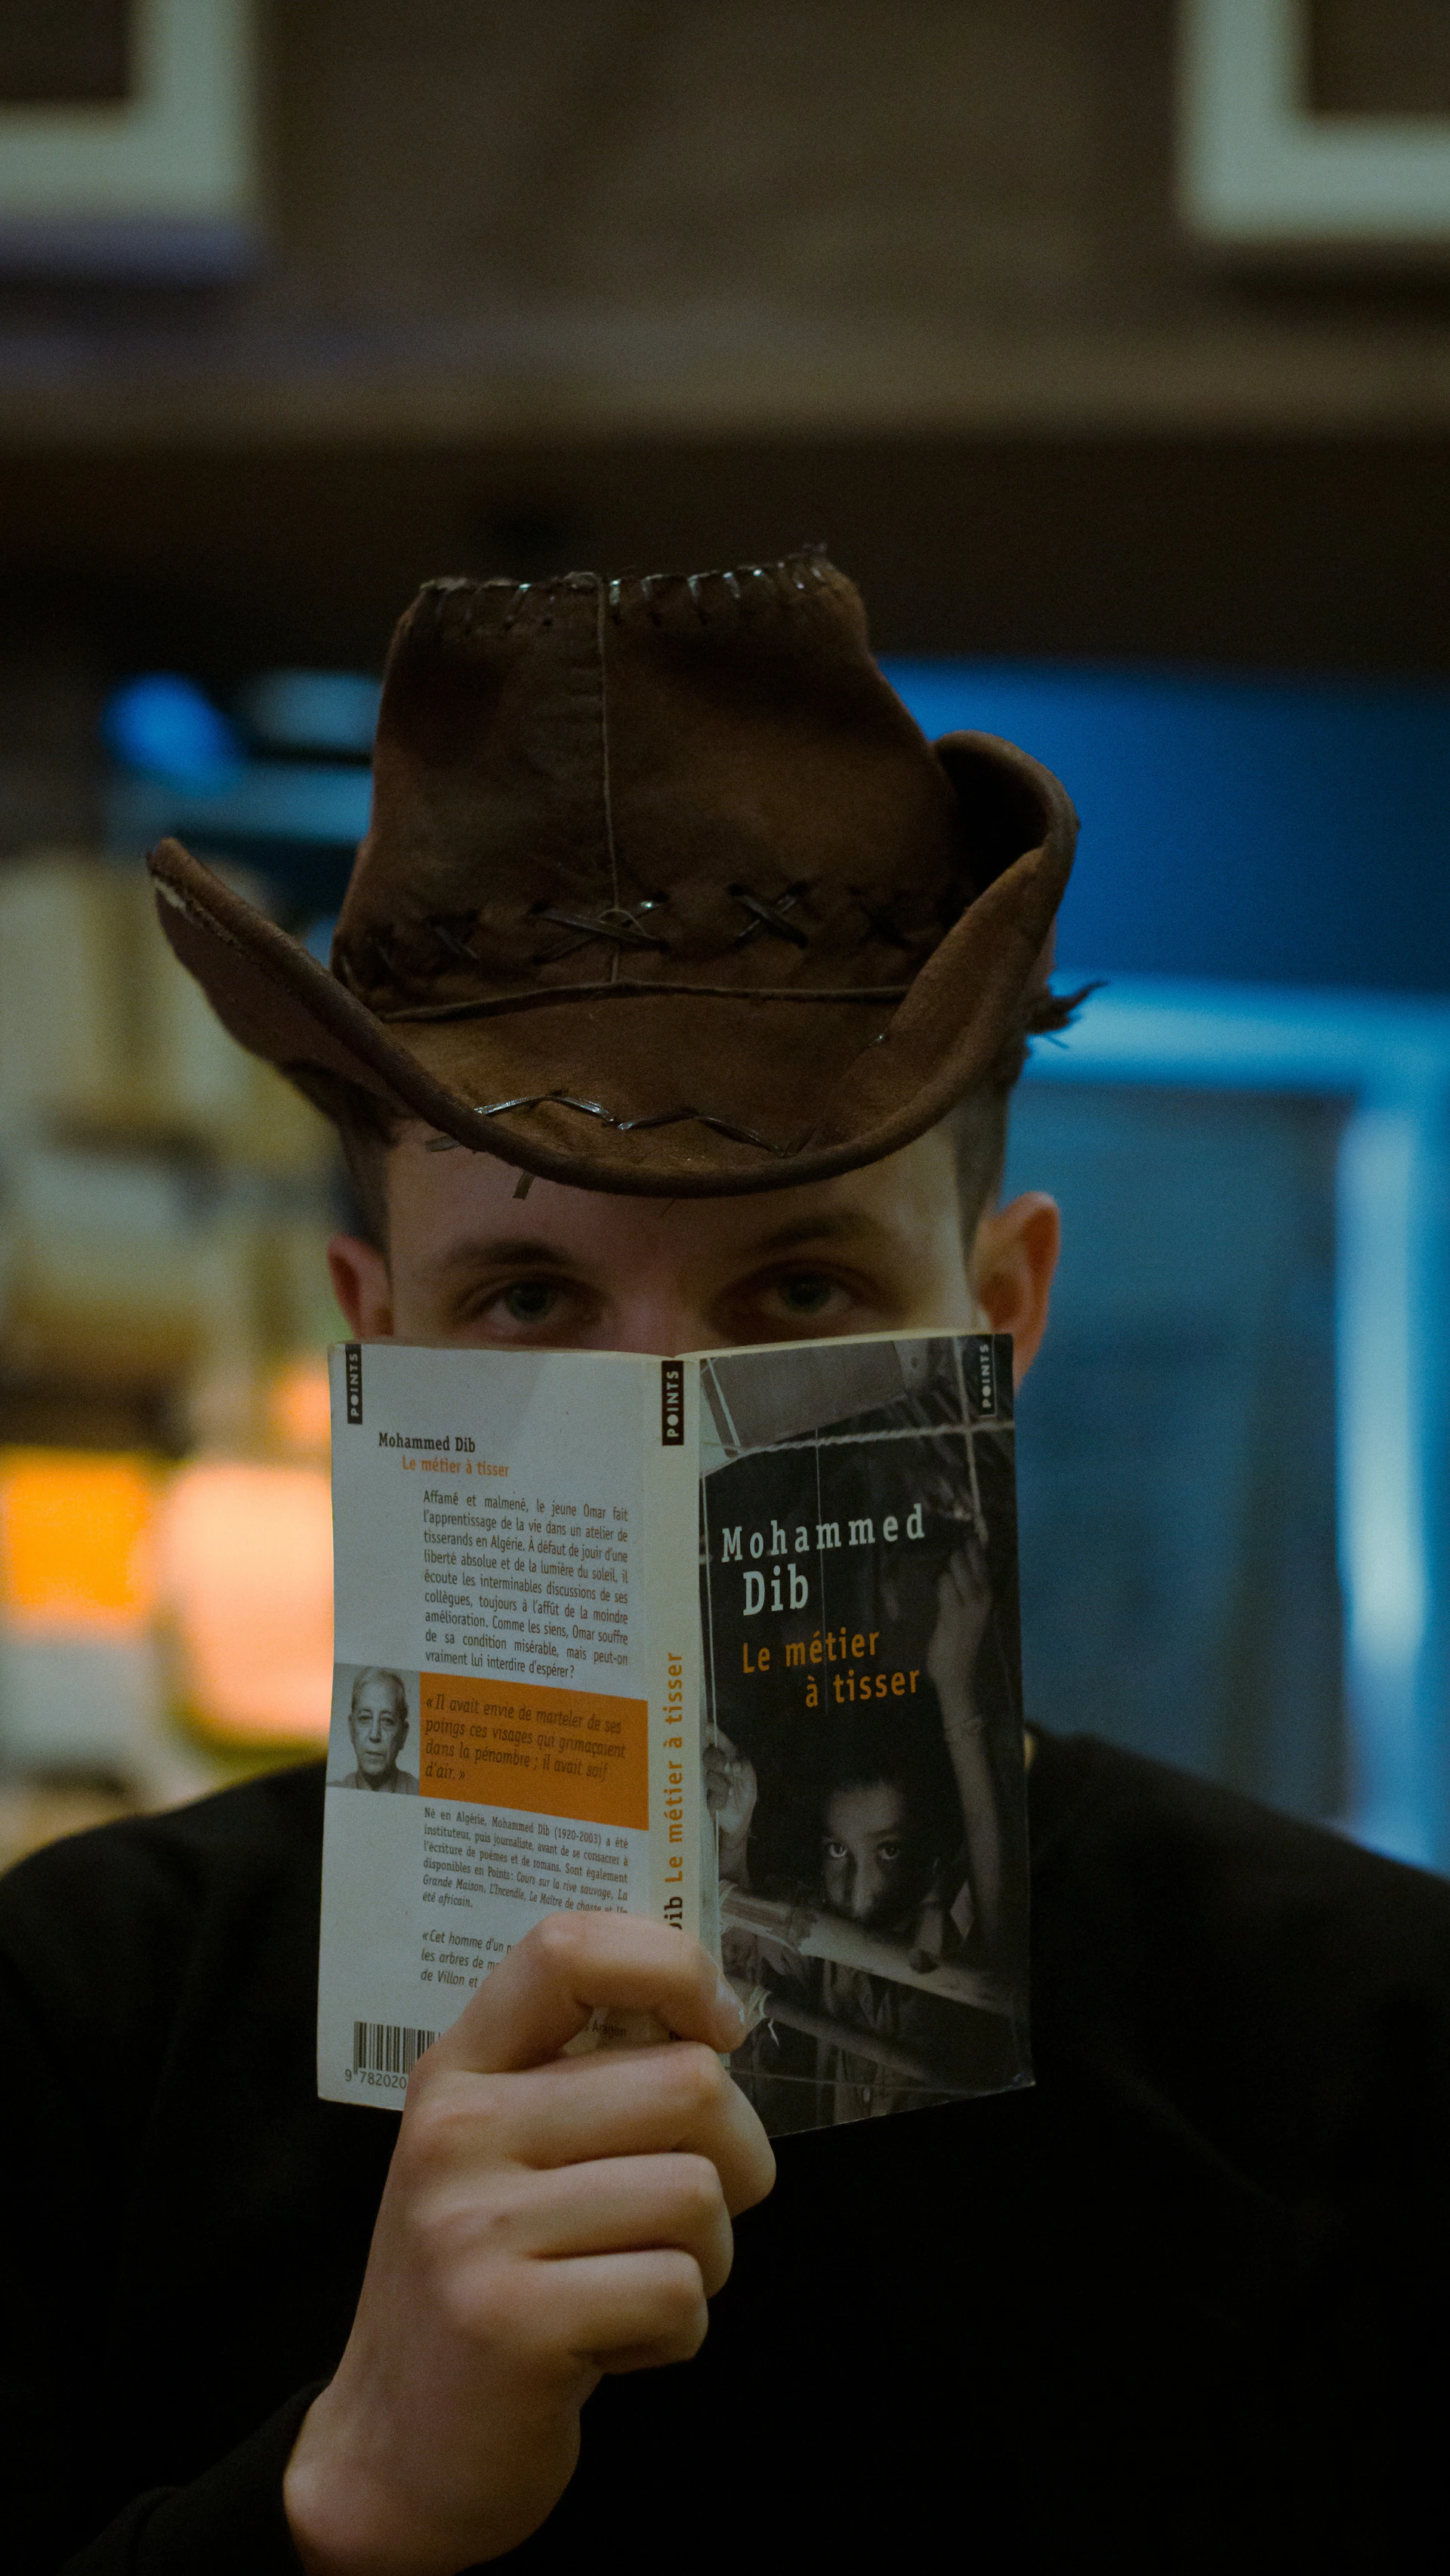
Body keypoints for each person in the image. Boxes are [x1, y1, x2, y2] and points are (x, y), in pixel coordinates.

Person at [2, 553, 1447, 2573]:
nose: (665, 1425)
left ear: (1000, 1314)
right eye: (525, 1297)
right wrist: (338, 2493)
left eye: (797, 1279)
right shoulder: (80, 2017)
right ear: (375, 1337)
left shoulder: (1374, 2038)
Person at [336, 1669, 418, 1795]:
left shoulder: (421, 1792)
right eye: (365, 1718)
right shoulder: (332, 1792)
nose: (374, 1735)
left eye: (387, 1721)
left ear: (403, 1734)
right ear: (351, 1728)